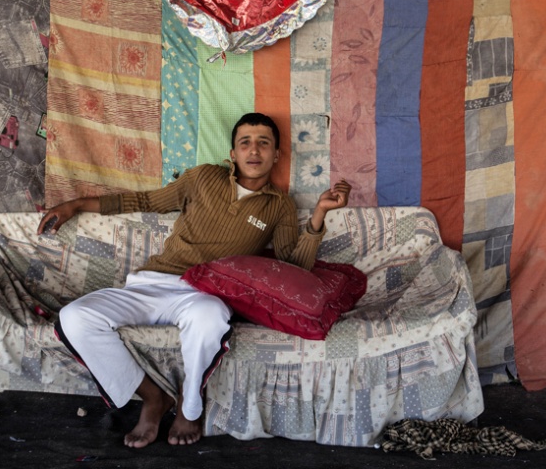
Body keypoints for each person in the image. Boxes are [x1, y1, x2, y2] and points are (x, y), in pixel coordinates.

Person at [37, 112, 351, 448]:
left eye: (264, 143)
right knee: (75, 317)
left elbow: (292, 268)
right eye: (245, 142)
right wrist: (77, 204)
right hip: (150, 283)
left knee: (210, 317)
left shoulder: (279, 206)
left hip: (202, 294)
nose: (254, 150)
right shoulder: (204, 178)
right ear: (233, 154)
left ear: (276, 154)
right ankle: (154, 399)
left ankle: (190, 405)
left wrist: (319, 214)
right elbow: (145, 201)